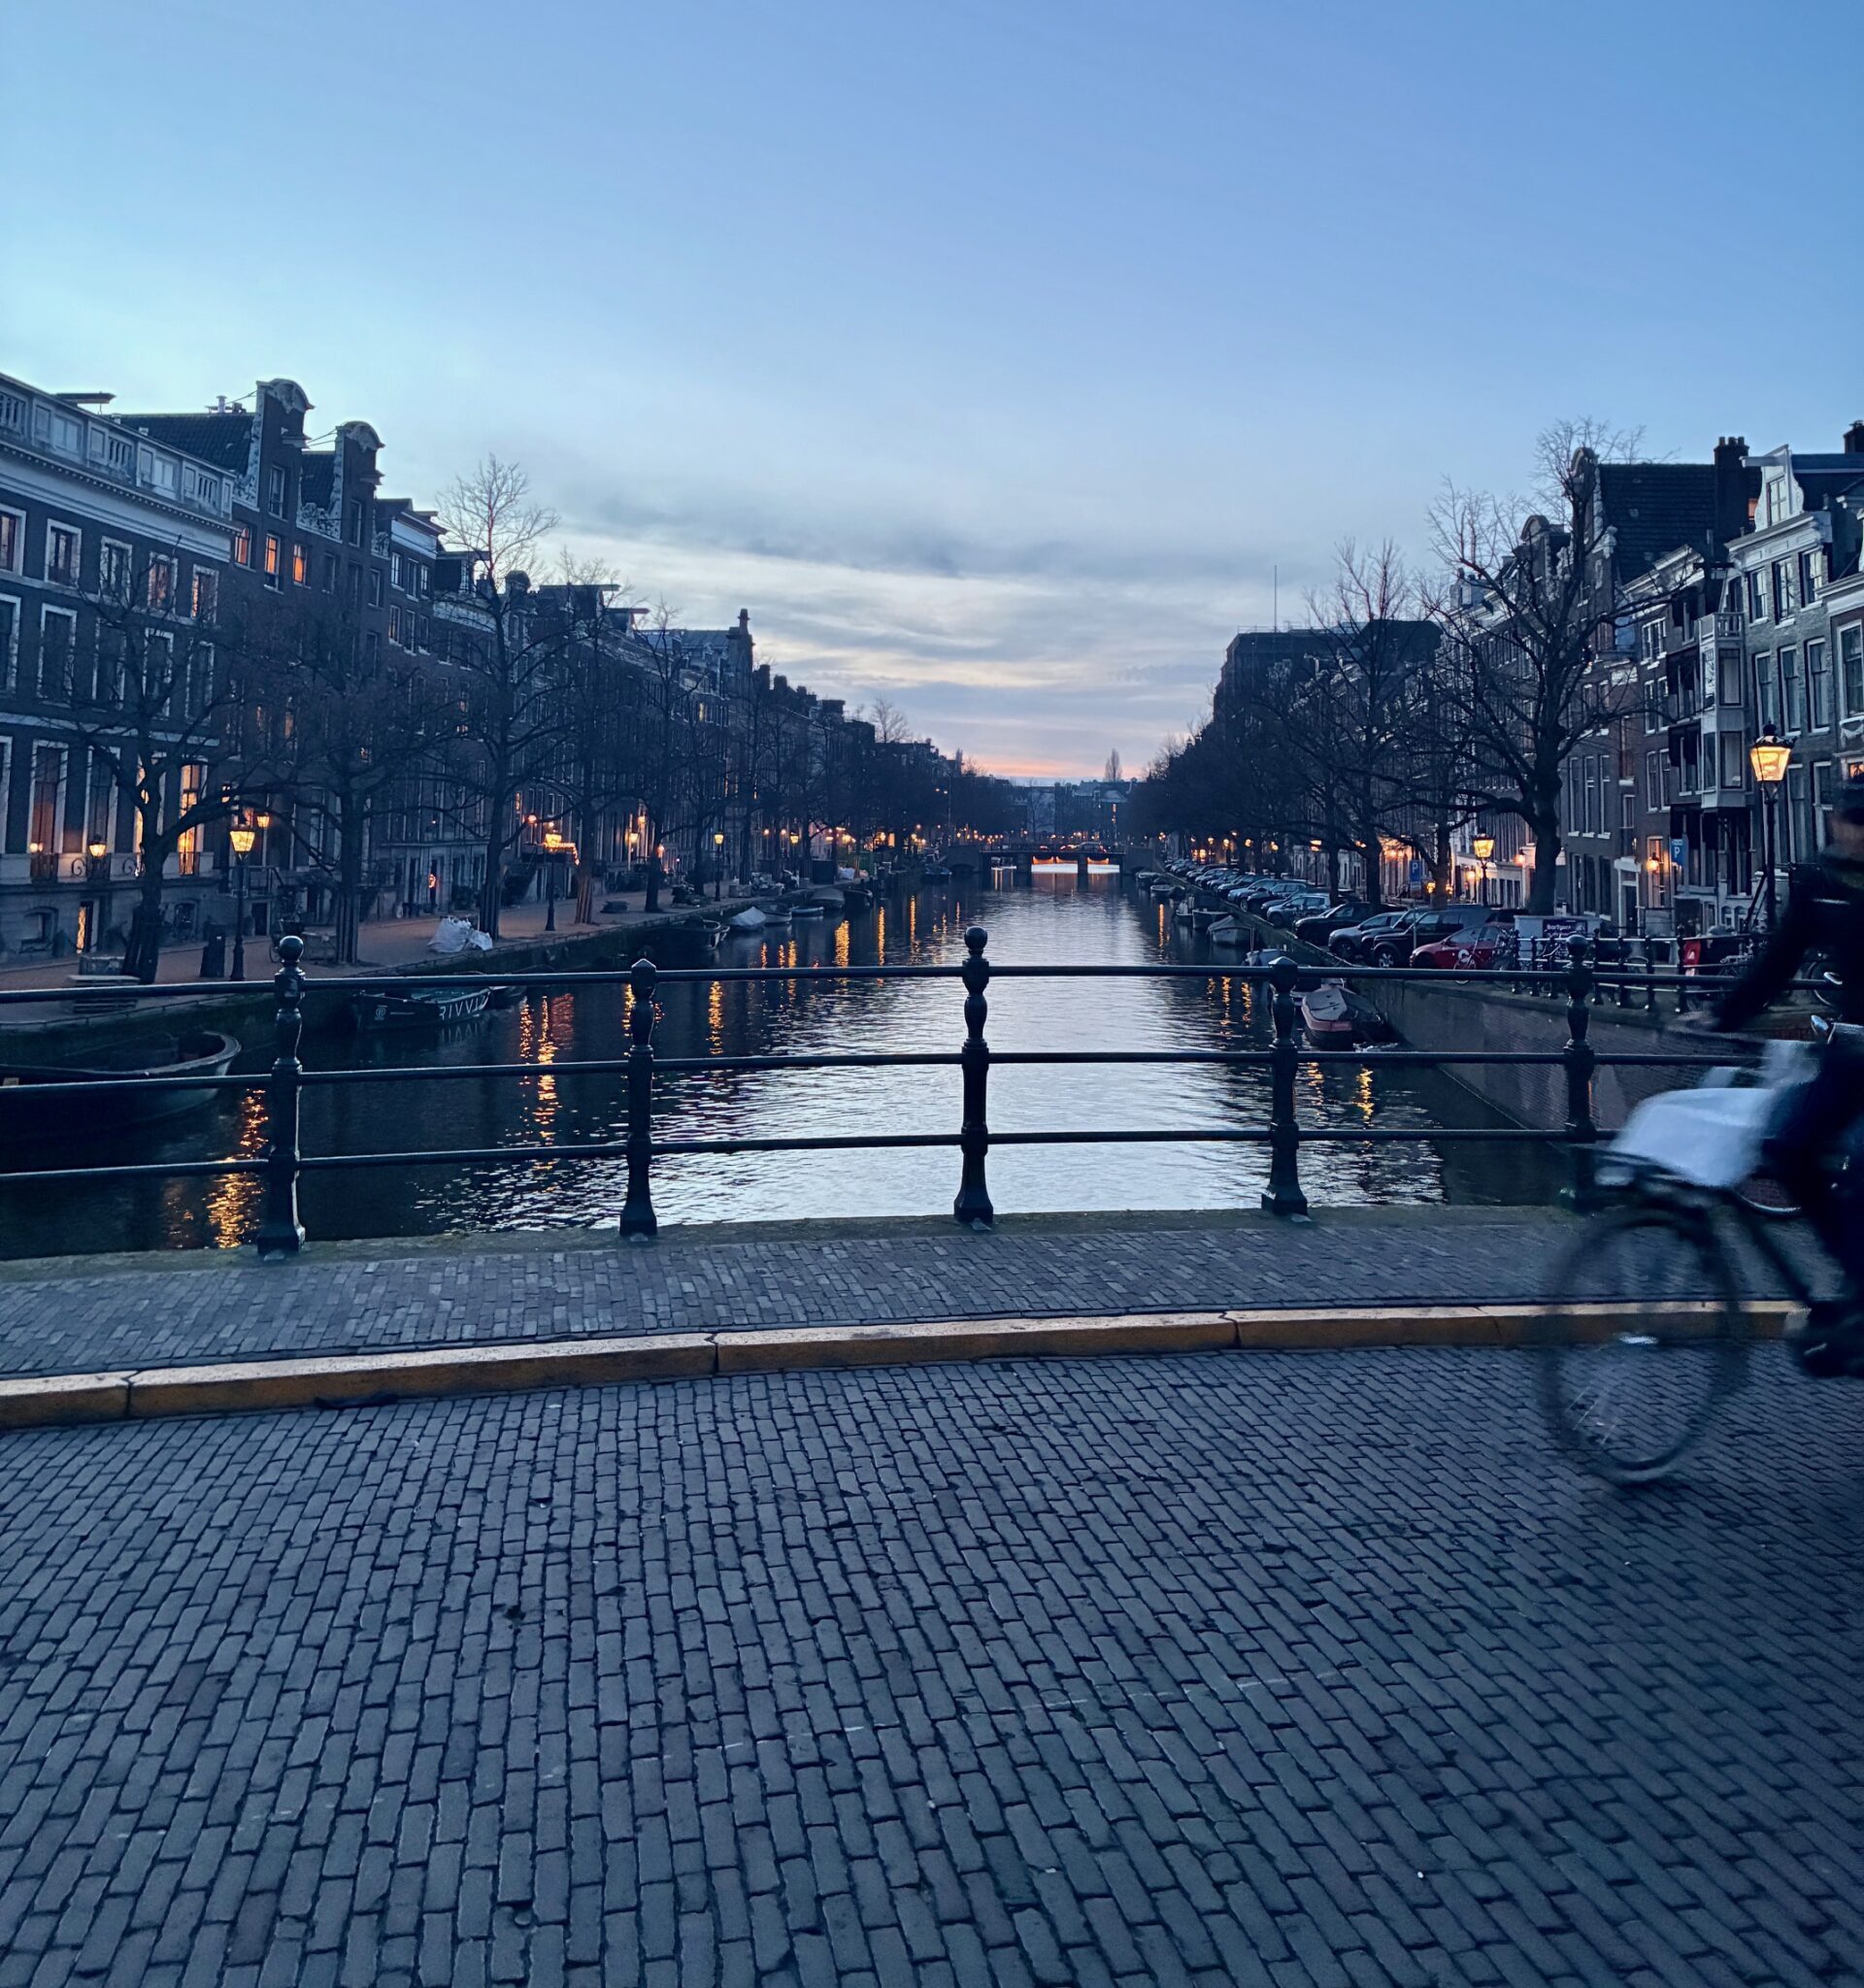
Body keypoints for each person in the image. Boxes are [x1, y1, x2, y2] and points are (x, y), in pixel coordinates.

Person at [1707, 775, 1864, 1372]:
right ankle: (1854, 1286)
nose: (1855, 833)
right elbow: (1780, 956)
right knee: (1786, 1146)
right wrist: (1724, 1013)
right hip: (1854, 1051)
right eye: (1849, 820)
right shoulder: (1820, 883)